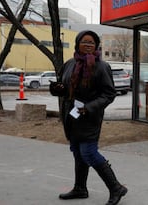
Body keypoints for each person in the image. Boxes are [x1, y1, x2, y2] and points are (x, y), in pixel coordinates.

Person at [50, 30, 127, 205]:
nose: (87, 45)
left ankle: (116, 188)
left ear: (96, 45)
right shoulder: (70, 64)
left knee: (89, 152)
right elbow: (65, 86)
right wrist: (58, 89)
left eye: (91, 43)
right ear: (77, 44)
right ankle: (80, 188)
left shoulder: (101, 66)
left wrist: (89, 107)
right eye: (84, 42)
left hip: (89, 116)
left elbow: (109, 94)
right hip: (71, 115)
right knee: (77, 152)